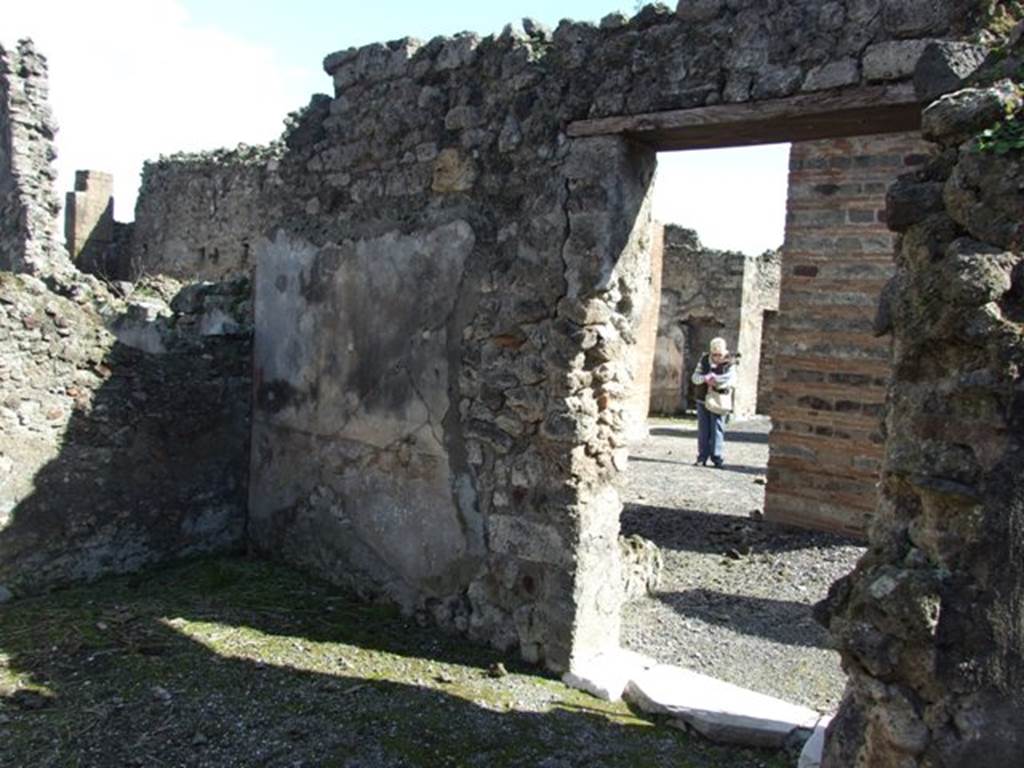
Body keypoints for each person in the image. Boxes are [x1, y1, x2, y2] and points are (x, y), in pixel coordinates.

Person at [689, 337, 735, 468]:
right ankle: (702, 456)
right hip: (703, 399)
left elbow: (730, 380)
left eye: (719, 355)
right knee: (703, 430)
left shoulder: (730, 363)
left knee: (717, 429)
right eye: (714, 354)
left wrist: (716, 381)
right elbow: (695, 378)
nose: (716, 357)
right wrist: (705, 378)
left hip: (719, 400)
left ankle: (717, 457)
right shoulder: (704, 360)